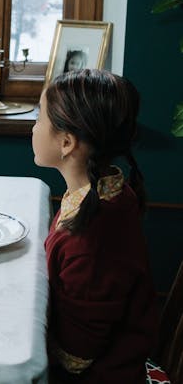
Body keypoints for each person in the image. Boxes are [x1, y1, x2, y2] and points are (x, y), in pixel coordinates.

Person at [32, 69, 156, 382]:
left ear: (66, 142)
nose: (33, 128)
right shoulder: (107, 190)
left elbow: (76, 356)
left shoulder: (90, 241)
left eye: (39, 117)